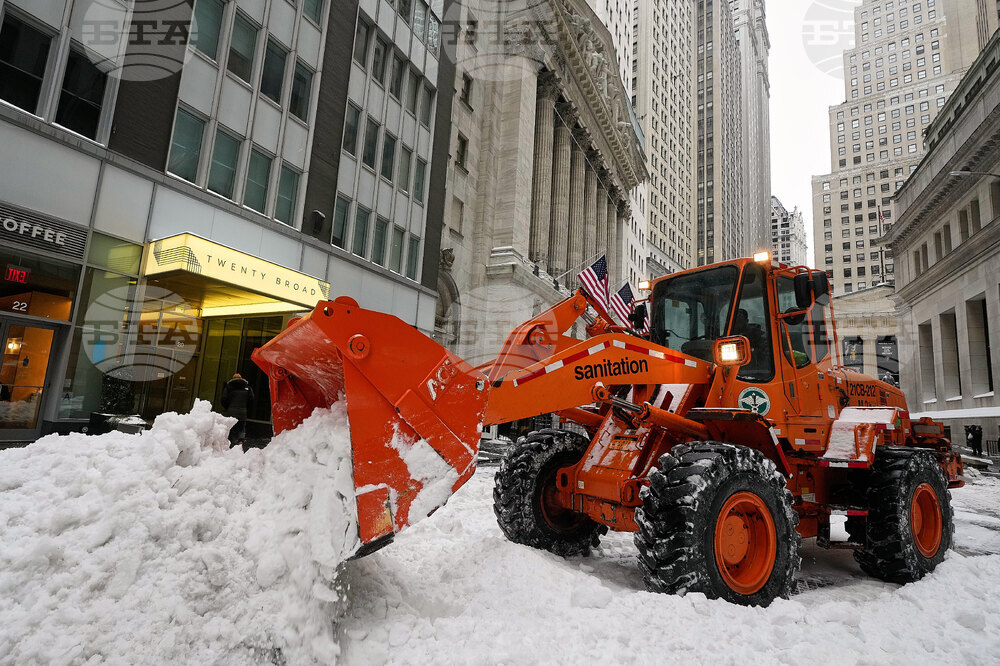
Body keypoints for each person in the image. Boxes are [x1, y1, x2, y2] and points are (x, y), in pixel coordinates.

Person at [221, 373, 254, 448]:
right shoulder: (247, 387)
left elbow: (223, 399)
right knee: (241, 428)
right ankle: (240, 442)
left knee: (231, 428)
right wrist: (245, 407)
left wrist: (228, 407)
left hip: (231, 411)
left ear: (232, 379)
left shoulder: (228, 387)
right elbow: (251, 399)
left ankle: (230, 444)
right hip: (242, 411)